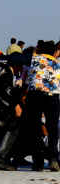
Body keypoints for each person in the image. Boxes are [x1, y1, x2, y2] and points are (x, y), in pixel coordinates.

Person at [21, 40, 60, 172]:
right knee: (53, 129)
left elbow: (26, 81)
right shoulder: (57, 63)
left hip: (34, 96)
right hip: (52, 96)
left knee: (35, 128)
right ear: (53, 51)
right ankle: (53, 159)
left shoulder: (34, 59)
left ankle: (38, 162)